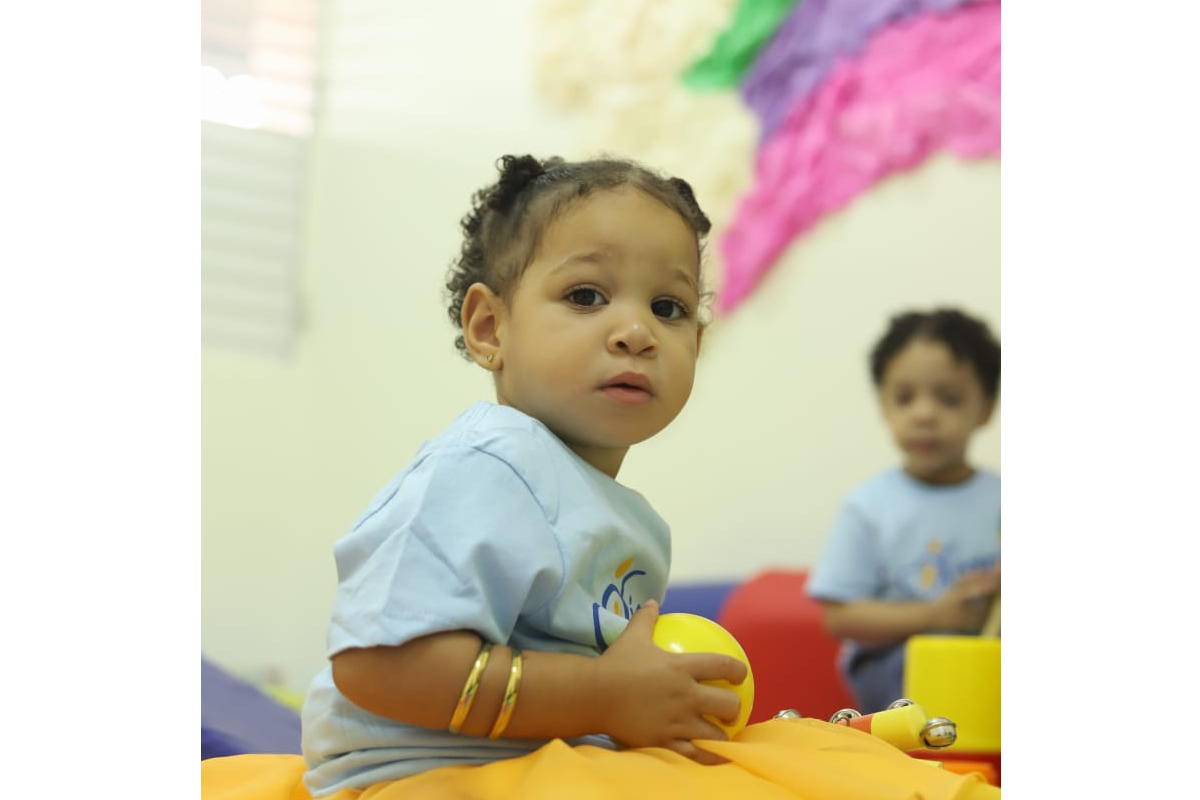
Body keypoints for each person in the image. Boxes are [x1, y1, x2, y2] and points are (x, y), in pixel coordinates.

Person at [201, 158, 1000, 800]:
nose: (636, 331)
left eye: (669, 308)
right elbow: (378, 664)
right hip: (423, 775)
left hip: (551, 762)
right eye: (586, 296)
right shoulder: (487, 465)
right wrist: (603, 696)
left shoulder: (626, 516)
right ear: (489, 327)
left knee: (810, 756)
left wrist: (649, 705)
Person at [807, 308, 1001, 714]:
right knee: (917, 671)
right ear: (883, 405)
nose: (924, 414)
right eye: (904, 398)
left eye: (949, 398)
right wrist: (936, 615)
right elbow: (839, 618)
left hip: (989, 660)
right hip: (896, 661)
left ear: (986, 406)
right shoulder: (868, 505)